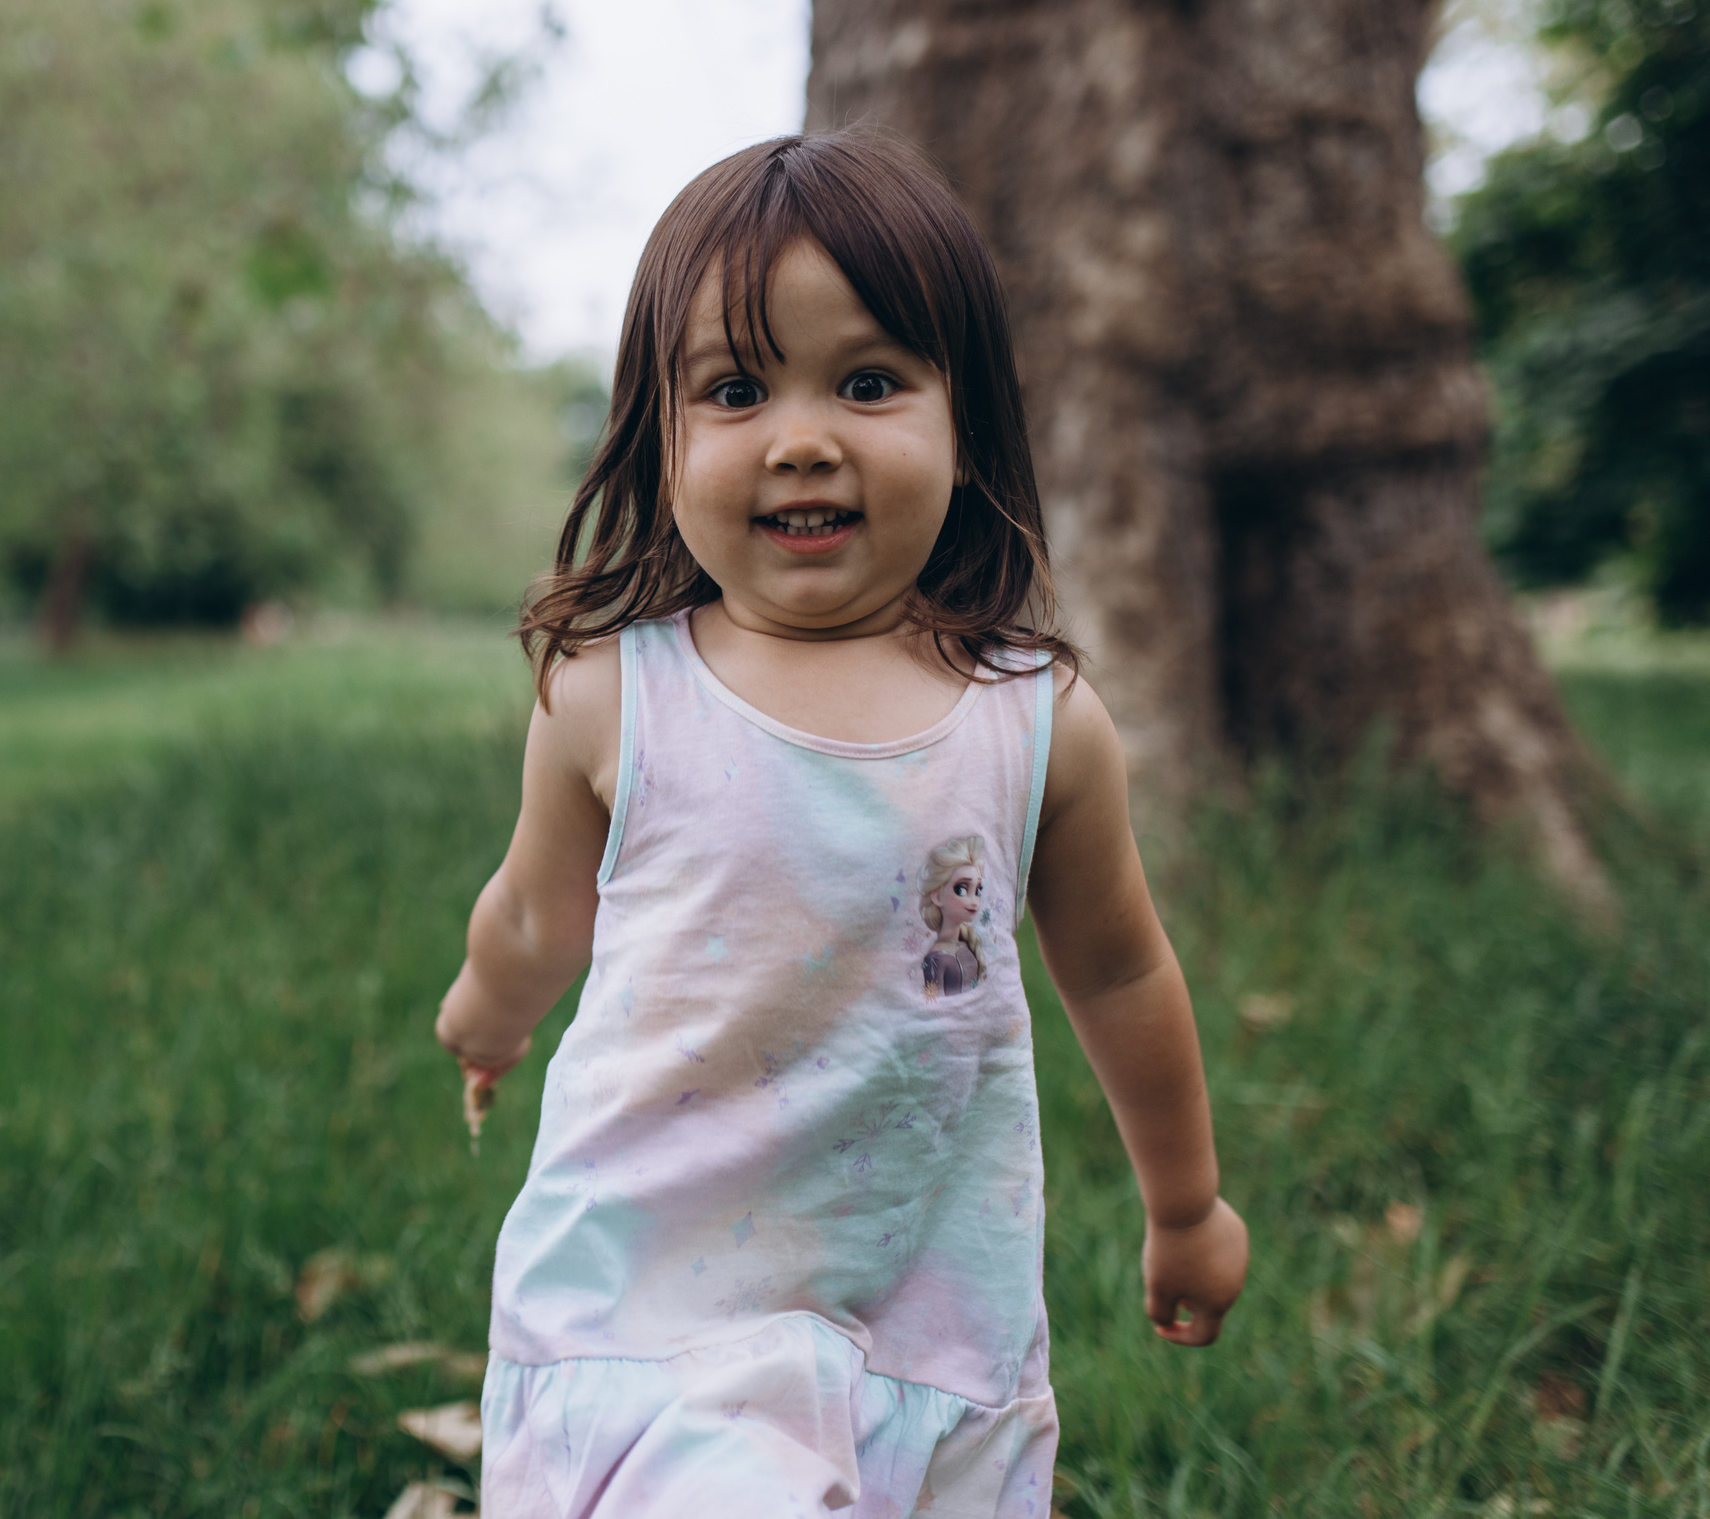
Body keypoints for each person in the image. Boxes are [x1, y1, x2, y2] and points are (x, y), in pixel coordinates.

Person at [435, 130, 1248, 1518]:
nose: (803, 438)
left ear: (964, 422)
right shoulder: (616, 695)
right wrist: (485, 1014)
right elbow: (531, 910)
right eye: (736, 390)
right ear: (660, 436)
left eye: (869, 383)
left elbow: (1120, 970)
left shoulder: (1032, 722)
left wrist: (1185, 1204)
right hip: (653, 1301)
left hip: (921, 1312)